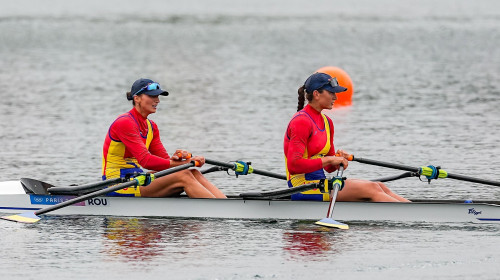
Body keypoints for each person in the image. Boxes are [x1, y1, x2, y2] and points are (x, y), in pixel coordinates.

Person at [284, 72, 410, 202]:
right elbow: (294, 166)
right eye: (331, 93)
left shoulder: (327, 122)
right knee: (371, 188)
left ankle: (413, 212)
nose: (335, 97)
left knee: (380, 186)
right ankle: (412, 218)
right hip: (303, 188)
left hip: (320, 184)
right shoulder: (301, 121)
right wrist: (330, 160)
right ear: (316, 94)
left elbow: (329, 168)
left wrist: (338, 159)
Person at [101, 78, 226, 198]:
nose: (157, 100)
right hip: (117, 184)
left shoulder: (151, 126)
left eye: (157, 96)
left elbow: (164, 162)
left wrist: (179, 159)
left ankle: (224, 206)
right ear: (137, 98)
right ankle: (221, 212)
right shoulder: (125, 122)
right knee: (184, 176)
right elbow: (146, 160)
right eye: (152, 96)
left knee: (193, 172)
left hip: (137, 178)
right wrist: (186, 163)